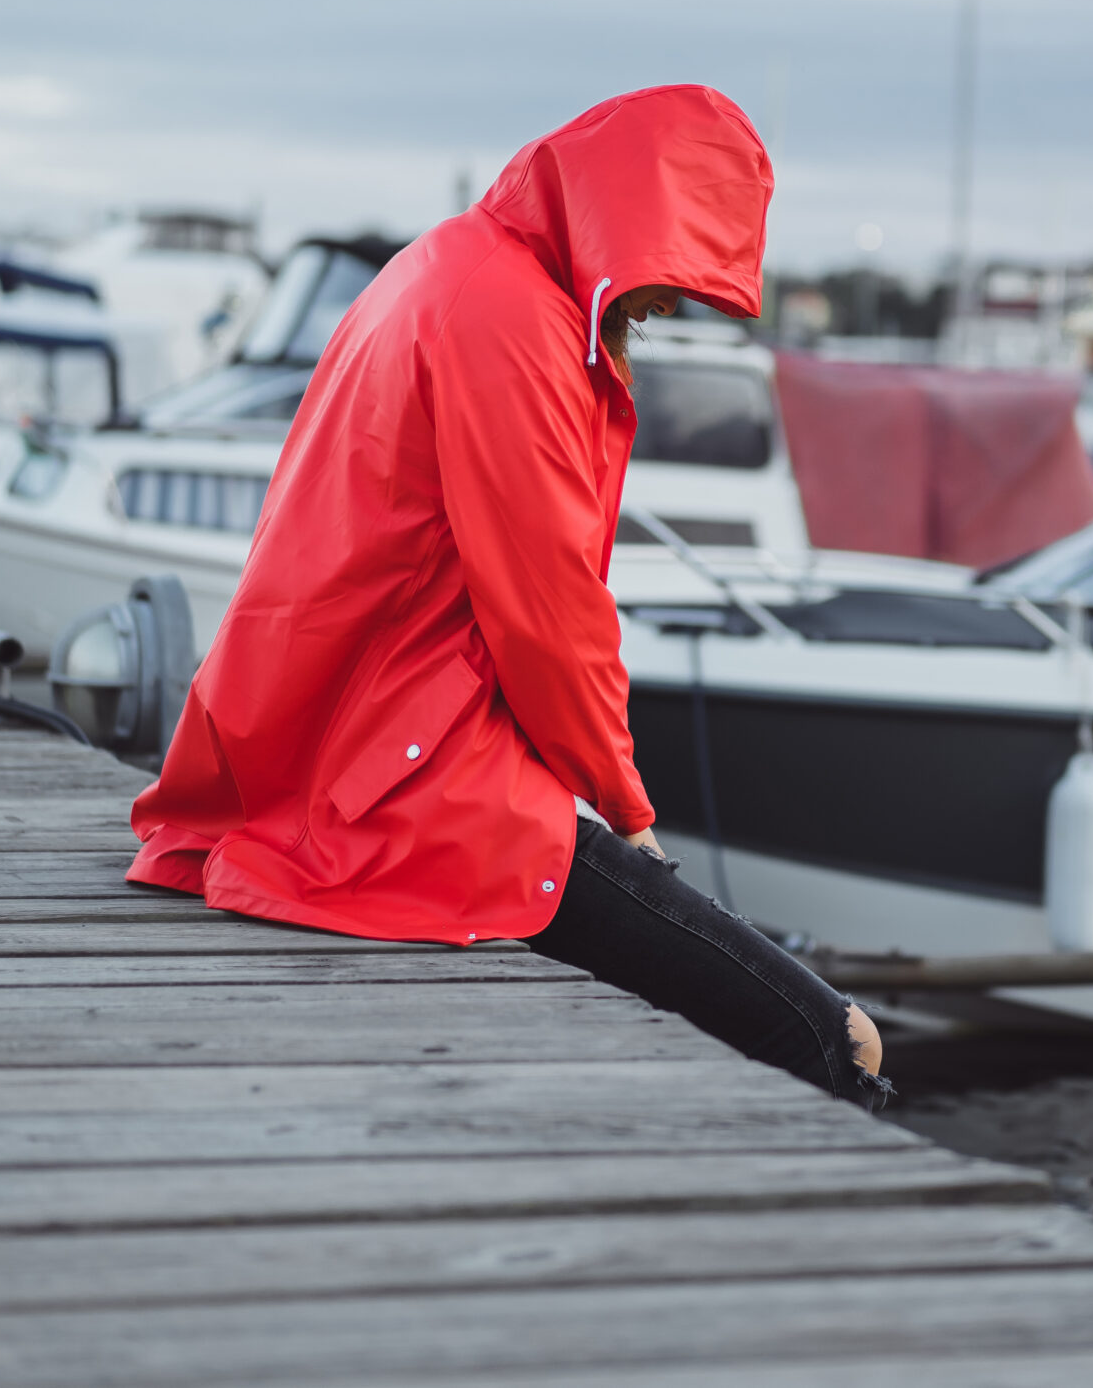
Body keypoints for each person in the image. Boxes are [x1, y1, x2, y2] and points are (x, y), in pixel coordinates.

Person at [123, 85, 885, 1106]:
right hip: (406, 792)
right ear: (641, 223)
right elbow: (549, 614)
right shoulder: (512, 318)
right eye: (675, 278)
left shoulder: (446, 264)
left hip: (335, 762)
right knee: (833, 1039)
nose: (670, 308)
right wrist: (627, 809)